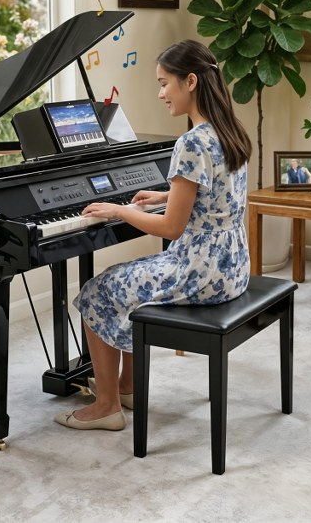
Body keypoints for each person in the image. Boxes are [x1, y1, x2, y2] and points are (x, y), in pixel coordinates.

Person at [55, 40, 252, 431]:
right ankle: (126, 385)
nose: (161, 93)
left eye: (165, 84)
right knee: (127, 279)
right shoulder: (228, 130)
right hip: (232, 265)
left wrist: (118, 210)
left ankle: (106, 406)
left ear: (190, 81)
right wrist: (167, 194)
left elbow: (171, 228)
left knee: (99, 290)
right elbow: (216, 192)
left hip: (199, 271)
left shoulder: (191, 142)